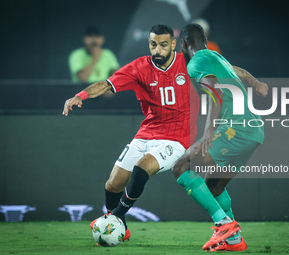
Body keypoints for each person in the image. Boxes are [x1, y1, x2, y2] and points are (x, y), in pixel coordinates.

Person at [63, 23, 265, 245]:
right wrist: (81, 95)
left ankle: (116, 218)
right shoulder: (139, 67)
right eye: (153, 44)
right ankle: (121, 227)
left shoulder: (188, 61)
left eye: (163, 45)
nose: (157, 49)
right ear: (148, 44)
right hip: (146, 133)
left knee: (149, 168)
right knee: (113, 184)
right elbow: (106, 84)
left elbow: (231, 71)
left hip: (178, 138)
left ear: (174, 45)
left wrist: (255, 83)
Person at [172, 23, 268, 252]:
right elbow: (239, 72)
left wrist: (208, 131)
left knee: (182, 166)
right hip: (254, 131)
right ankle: (234, 240)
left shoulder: (196, 62)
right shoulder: (216, 57)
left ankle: (224, 225)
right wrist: (256, 83)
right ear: (204, 41)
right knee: (213, 186)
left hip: (235, 130)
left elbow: (216, 93)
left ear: (184, 45)